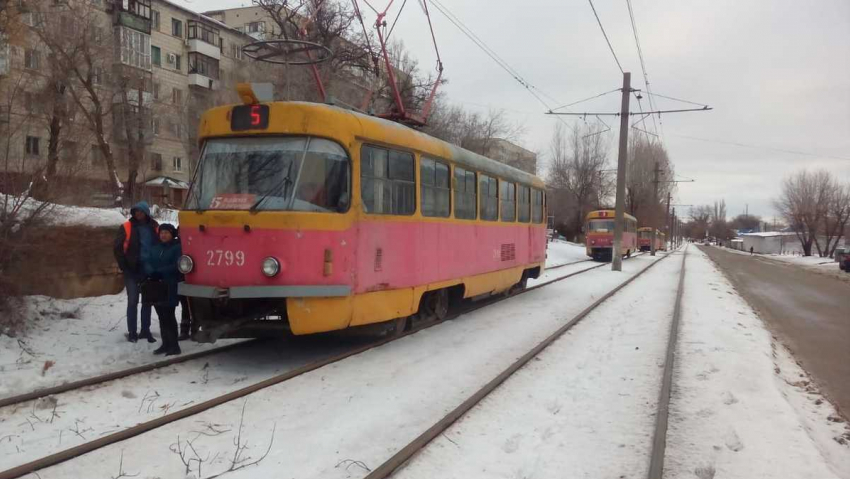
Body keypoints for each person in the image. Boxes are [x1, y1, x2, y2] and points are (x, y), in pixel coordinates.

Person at [114, 201, 159, 343]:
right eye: (136, 211)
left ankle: (145, 330)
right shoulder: (126, 226)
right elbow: (118, 248)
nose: (138, 214)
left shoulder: (154, 226)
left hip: (148, 270)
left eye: (141, 211)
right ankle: (132, 332)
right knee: (132, 301)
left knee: (147, 302)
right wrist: (124, 266)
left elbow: (159, 244)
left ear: (146, 212)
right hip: (131, 270)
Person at [145, 224, 182, 356]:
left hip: (170, 285)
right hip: (156, 286)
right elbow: (147, 261)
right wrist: (150, 272)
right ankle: (165, 343)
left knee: (168, 315)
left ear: (172, 234)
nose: (163, 235)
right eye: (161, 233)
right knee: (161, 315)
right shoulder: (155, 248)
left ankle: (174, 345)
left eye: (166, 233)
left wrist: (159, 272)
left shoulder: (177, 248)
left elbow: (176, 265)